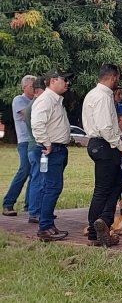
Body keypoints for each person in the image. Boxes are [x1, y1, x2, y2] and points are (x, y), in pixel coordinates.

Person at [83, 64, 122, 247]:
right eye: (117, 78)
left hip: (99, 144)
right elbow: (105, 127)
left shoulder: (95, 94)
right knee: (102, 190)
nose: (118, 81)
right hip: (105, 144)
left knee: (117, 184)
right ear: (113, 77)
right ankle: (96, 230)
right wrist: (120, 145)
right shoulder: (102, 96)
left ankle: (103, 222)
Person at [30, 70, 74, 241]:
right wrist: (47, 143)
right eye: (65, 80)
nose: (67, 83)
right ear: (53, 80)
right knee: (52, 188)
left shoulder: (55, 100)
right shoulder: (46, 100)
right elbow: (37, 124)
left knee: (52, 187)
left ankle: (48, 224)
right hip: (51, 150)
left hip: (57, 149)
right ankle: (45, 227)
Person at [2, 75, 36, 217]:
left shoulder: (36, 101)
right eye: (32, 86)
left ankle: (30, 205)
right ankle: (8, 203)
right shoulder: (19, 100)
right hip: (24, 141)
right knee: (24, 170)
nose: (35, 88)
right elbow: (29, 114)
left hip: (35, 141)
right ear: (25, 87)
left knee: (35, 173)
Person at [24, 78, 46, 224]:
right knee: (38, 179)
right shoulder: (37, 104)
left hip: (35, 147)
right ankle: (34, 211)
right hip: (38, 147)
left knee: (39, 178)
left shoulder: (32, 104)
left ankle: (39, 210)